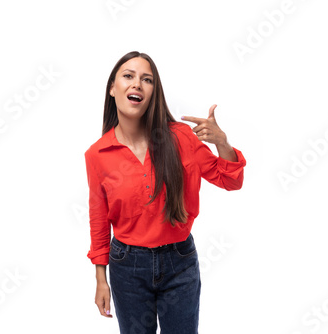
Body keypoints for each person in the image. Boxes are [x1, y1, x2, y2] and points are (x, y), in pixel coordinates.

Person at [84, 51, 247, 334]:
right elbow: (99, 219)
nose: (137, 84)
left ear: (153, 92)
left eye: (146, 80)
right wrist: (101, 278)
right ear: (112, 88)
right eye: (128, 76)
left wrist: (222, 142)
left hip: (179, 263)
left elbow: (230, 181)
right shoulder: (98, 155)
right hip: (127, 267)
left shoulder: (180, 137)